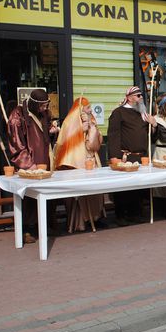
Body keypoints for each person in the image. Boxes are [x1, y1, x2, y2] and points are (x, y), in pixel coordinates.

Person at [7, 89, 60, 243]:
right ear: (34, 104)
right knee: (29, 198)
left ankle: (44, 225)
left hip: (45, 161)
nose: (45, 109)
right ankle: (27, 230)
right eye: (42, 106)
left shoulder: (42, 114)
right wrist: (28, 164)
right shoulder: (17, 116)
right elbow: (16, 143)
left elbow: (44, 132)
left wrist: (51, 131)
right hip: (30, 164)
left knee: (46, 193)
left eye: (46, 106)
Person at [53, 97, 106, 232]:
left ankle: (95, 217)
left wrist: (92, 129)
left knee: (94, 191)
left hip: (90, 159)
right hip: (75, 161)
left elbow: (96, 142)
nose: (90, 110)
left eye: (90, 107)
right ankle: (79, 222)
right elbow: (64, 141)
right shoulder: (70, 121)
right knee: (78, 194)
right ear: (80, 108)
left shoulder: (92, 119)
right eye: (87, 107)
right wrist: (80, 130)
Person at [107, 85, 154, 226]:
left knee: (138, 188)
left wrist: (154, 124)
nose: (141, 98)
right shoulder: (119, 112)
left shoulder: (143, 114)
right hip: (125, 156)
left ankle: (136, 214)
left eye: (141, 95)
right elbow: (113, 135)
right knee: (123, 188)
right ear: (129, 97)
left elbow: (150, 134)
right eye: (138, 96)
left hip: (141, 156)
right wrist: (114, 156)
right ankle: (121, 216)